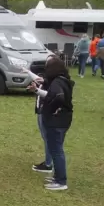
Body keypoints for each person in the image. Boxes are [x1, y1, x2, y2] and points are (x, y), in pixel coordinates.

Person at [36, 58, 74, 191]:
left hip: (57, 121)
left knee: (56, 150)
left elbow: (58, 97)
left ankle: (61, 181)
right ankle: (57, 176)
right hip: (64, 120)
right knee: (56, 148)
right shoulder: (64, 80)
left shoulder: (57, 82)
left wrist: (52, 109)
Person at [24, 55, 57, 173]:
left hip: (45, 111)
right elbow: (39, 79)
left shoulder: (54, 79)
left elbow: (47, 93)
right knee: (46, 137)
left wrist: (36, 90)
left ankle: (49, 164)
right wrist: (28, 72)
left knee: (47, 138)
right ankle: (49, 161)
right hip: (41, 110)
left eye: (49, 62)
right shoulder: (50, 77)